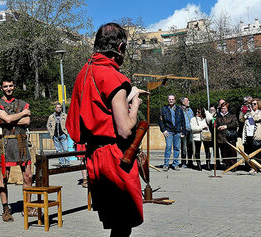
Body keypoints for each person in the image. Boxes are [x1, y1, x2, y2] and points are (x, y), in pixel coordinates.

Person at [66, 23, 147, 236]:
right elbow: (125, 129)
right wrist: (135, 103)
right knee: (123, 225)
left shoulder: (83, 73)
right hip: (114, 157)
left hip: (94, 155)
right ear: (120, 48)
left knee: (117, 223)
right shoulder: (113, 76)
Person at [0, 79, 36, 222]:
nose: (8, 88)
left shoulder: (23, 103)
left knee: (28, 175)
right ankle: (5, 208)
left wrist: (9, 119)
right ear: (1, 88)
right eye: (6, 86)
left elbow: (26, 122)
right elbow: (7, 119)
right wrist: (21, 114)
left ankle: (27, 206)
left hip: (21, 142)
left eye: (11, 86)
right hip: (6, 143)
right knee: (3, 177)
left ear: (14, 86)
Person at [158, 94, 186, 171]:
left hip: (177, 132)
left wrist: (183, 132)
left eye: (172, 99)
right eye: (169, 99)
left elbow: (183, 121)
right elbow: (160, 121)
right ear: (168, 100)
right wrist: (163, 130)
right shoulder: (164, 109)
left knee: (177, 148)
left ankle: (175, 164)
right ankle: (166, 164)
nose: (171, 100)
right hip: (168, 131)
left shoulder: (179, 109)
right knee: (168, 147)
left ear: (175, 100)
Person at [215, 102, 239, 171]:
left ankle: (234, 166)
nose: (223, 110)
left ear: (227, 109)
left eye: (224, 108)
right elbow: (214, 125)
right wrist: (218, 127)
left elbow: (235, 124)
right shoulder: (218, 116)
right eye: (222, 108)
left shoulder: (232, 116)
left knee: (232, 152)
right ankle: (227, 165)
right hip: (221, 137)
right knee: (224, 152)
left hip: (231, 137)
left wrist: (226, 126)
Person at [241, 98, 261, 172]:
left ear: (258, 104)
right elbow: (241, 119)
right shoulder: (249, 113)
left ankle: (256, 167)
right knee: (248, 152)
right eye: (252, 104)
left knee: (256, 153)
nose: (253, 105)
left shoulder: (259, 112)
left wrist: (252, 112)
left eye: (254, 104)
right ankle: (250, 166)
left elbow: (256, 118)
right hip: (248, 135)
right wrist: (242, 111)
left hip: (256, 135)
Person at [180, 97, 194, 168]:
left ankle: (190, 162)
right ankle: (183, 162)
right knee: (184, 148)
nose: (189, 101)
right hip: (183, 131)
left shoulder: (190, 110)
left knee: (190, 147)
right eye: (187, 100)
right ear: (183, 102)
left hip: (190, 130)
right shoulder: (179, 110)